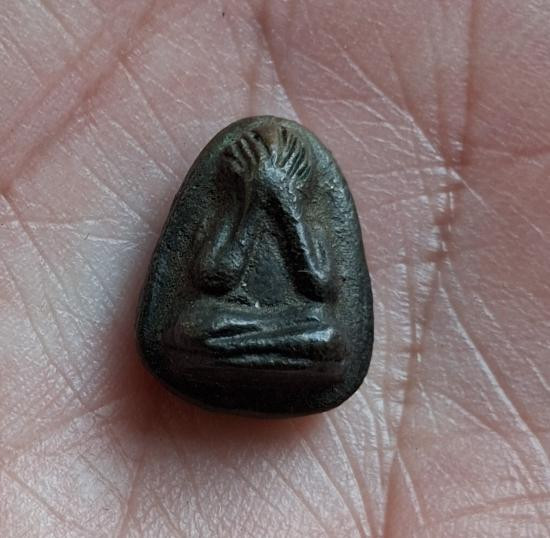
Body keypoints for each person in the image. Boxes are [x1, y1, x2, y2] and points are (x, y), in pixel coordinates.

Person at [1, 1, 548, 536]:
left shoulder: (302, 203)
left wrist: (283, 201)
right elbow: (213, 277)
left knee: (330, 338)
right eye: (259, 173)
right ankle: (262, 362)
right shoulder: (229, 201)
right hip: (231, 325)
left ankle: (255, 361)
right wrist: (248, 199)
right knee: (190, 328)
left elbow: (321, 284)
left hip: (296, 329)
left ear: (295, 176)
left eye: (274, 174)